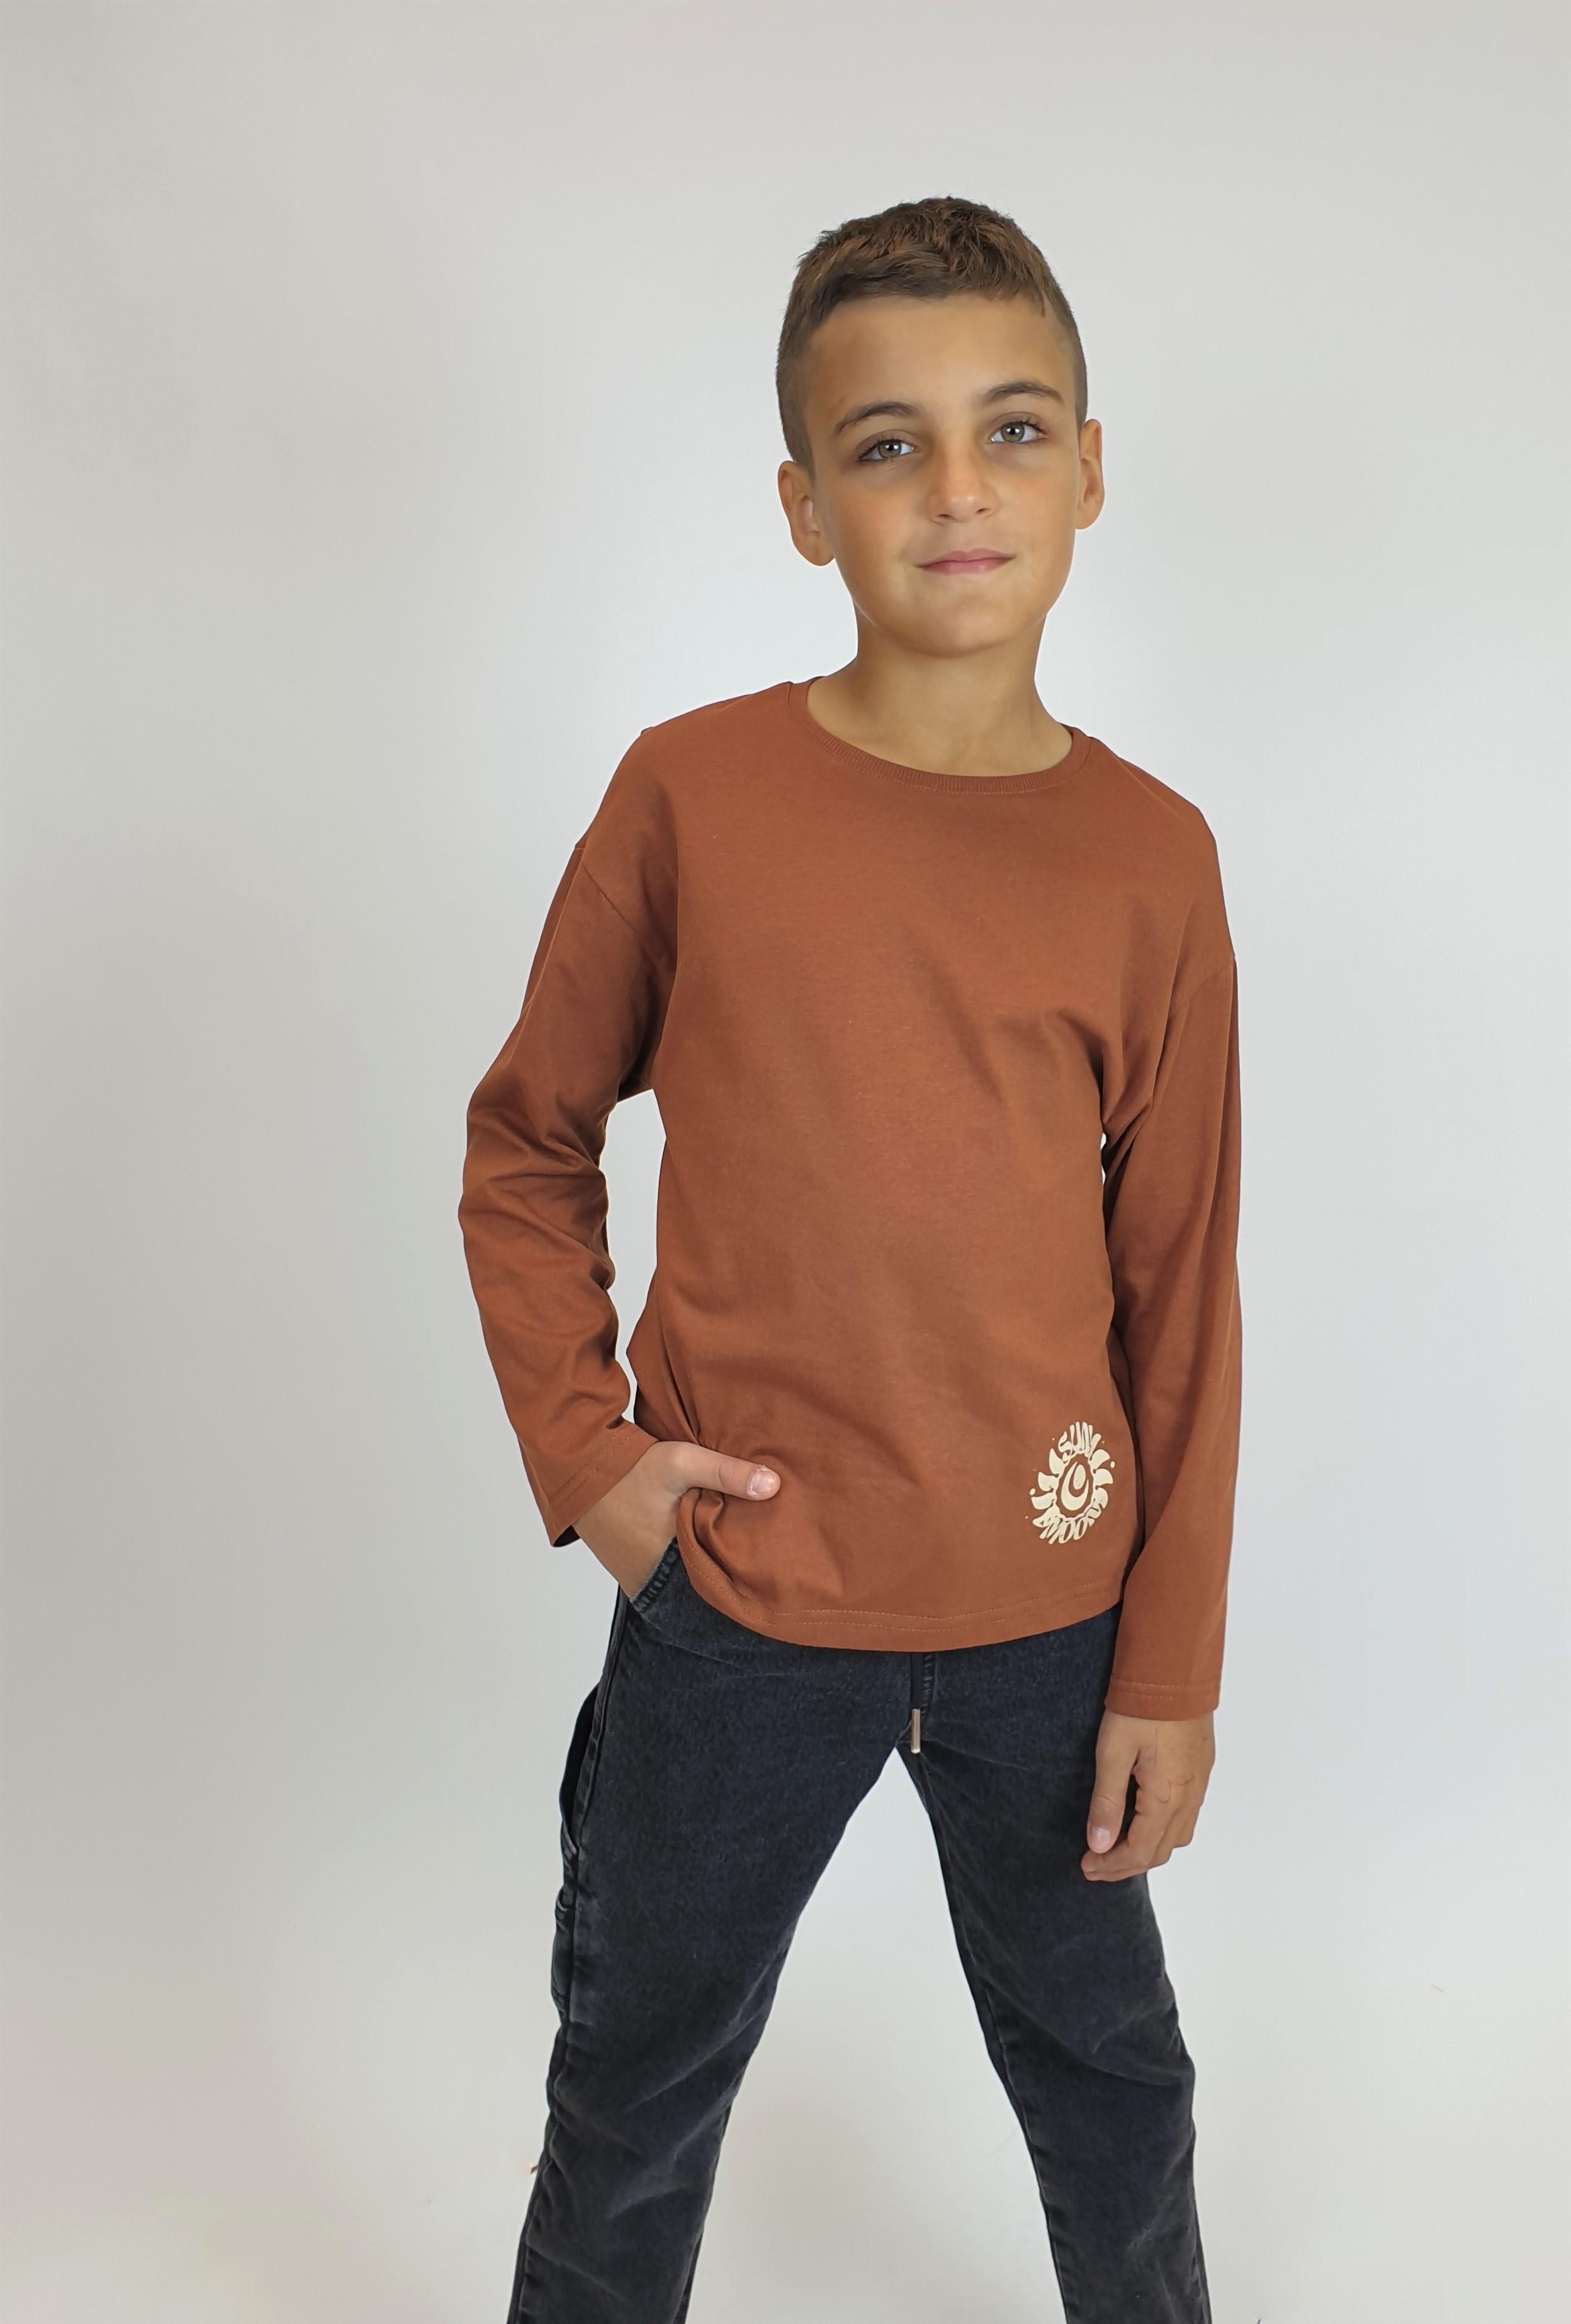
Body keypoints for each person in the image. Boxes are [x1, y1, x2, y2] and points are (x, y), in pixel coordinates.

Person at [459, 193, 1243, 2324]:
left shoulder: (1153, 860)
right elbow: (528, 1142)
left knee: (1114, 2090)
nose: (958, 487)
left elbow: (1181, 1289)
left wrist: (1168, 1664)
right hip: (739, 1605)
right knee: (635, 2092)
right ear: (807, 506)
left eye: (1012, 429)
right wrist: (594, 1459)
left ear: (1091, 470)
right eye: (889, 445)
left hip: (1053, 1612)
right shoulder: (691, 798)